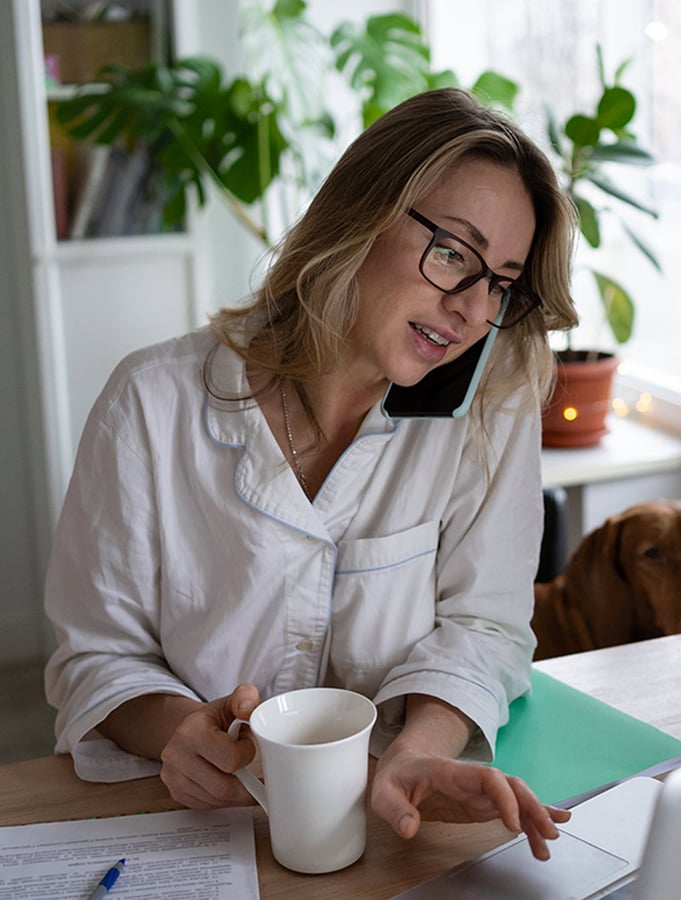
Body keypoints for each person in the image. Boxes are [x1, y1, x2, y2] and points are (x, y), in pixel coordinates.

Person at [44, 87, 579, 861]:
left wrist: (417, 748)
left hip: (391, 831)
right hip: (198, 830)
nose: (469, 309)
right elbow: (95, 653)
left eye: (499, 282)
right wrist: (179, 732)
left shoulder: (491, 410)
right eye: (453, 253)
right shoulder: (149, 404)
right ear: (358, 216)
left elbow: (484, 625)